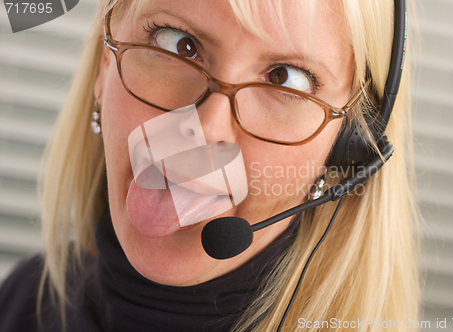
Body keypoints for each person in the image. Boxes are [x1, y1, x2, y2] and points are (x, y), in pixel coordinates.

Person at [0, 0, 419, 331]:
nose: (206, 130)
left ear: (348, 148)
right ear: (104, 63)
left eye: (285, 79)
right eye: (177, 42)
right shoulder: (20, 303)